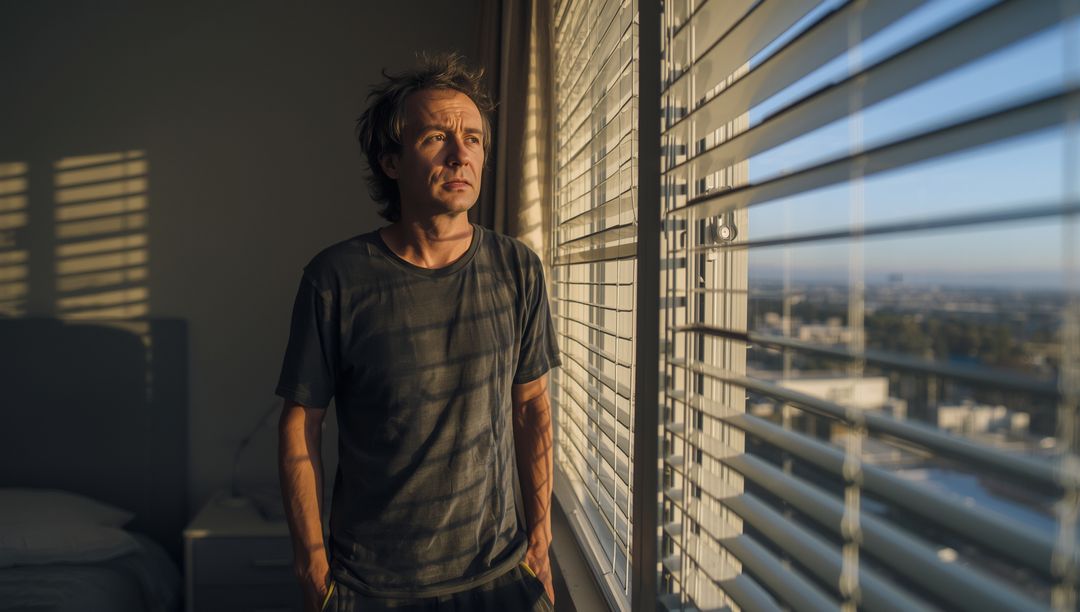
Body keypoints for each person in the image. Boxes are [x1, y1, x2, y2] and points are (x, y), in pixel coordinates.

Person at [275, 52, 561, 612]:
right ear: (390, 160)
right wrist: (311, 565)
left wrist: (541, 542)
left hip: (501, 579)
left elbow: (531, 410)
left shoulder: (518, 269)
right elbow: (300, 423)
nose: (462, 155)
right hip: (372, 588)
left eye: (474, 140)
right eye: (436, 138)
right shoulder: (335, 278)